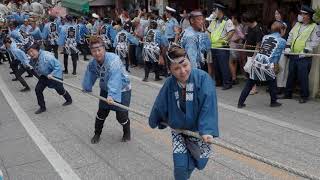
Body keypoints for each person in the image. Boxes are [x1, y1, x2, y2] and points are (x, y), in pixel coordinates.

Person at [149, 45, 219, 180]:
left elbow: (208, 105)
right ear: (170, 70)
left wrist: (207, 130)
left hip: (199, 132)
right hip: (179, 131)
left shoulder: (203, 78)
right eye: (176, 68)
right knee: (180, 167)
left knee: (199, 161)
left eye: (185, 65)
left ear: (189, 61)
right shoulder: (169, 83)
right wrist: (155, 120)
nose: (182, 71)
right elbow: (160, 103)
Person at [82, 36, 132, 144]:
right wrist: (87, 87)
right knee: (101, 113)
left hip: (122, 89)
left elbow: (115, 78)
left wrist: (112, 95)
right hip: (105, 89)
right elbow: (90, 74)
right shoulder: (93, 63)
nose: (97, 53)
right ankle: (97, 133)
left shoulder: (114, 60)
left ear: (104, 48)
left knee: (121, 116)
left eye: (99, 50)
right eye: (94, 51)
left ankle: (127, 131)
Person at [238, 21, 286, 108]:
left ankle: (240, 103)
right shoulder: (282, 41)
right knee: (272, 82)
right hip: (267, 64)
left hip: (257, 61)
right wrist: (276, 66)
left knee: (250, 83)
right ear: (281, 30)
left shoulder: (265, 37)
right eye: (284, 30)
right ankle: (273, 102)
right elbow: (276, 56)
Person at [282, 5, 320, 104]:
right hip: (294, 54)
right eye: (301, 13)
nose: (301, 15)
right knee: (291, 75)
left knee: (303, 77)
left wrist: (306, 50)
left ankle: (304, 96)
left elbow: (315, 42)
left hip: (304, 57)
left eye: (303, 14)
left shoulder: (314, 27)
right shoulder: (298, 24)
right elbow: (290, 35)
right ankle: (288, 94)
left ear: (308, 16)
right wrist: (288, 46)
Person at [26, 43, 72, 114]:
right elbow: (33, 65)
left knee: (60, 90)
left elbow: (58, 66)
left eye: (32, 51)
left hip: (55, 75)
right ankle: (42, 107)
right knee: (38, 89)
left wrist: (52, 74)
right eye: (29, 53)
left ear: (37, 49)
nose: (31, 54)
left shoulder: (47, 57)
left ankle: (69, 99)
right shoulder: (34, 58)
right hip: (44, 76)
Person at [208, 3, 235, 90]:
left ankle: (227, 83)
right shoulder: (214, 21)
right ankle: (219, 82)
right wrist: (208, 40)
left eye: (215, 10)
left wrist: (225, 40)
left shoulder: (227, 21)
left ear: (220, 11)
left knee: (223, 66)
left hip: (222, 47)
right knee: (216, 66)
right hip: (214, 47)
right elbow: (209, 31)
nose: (214, 12)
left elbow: (231, 31)